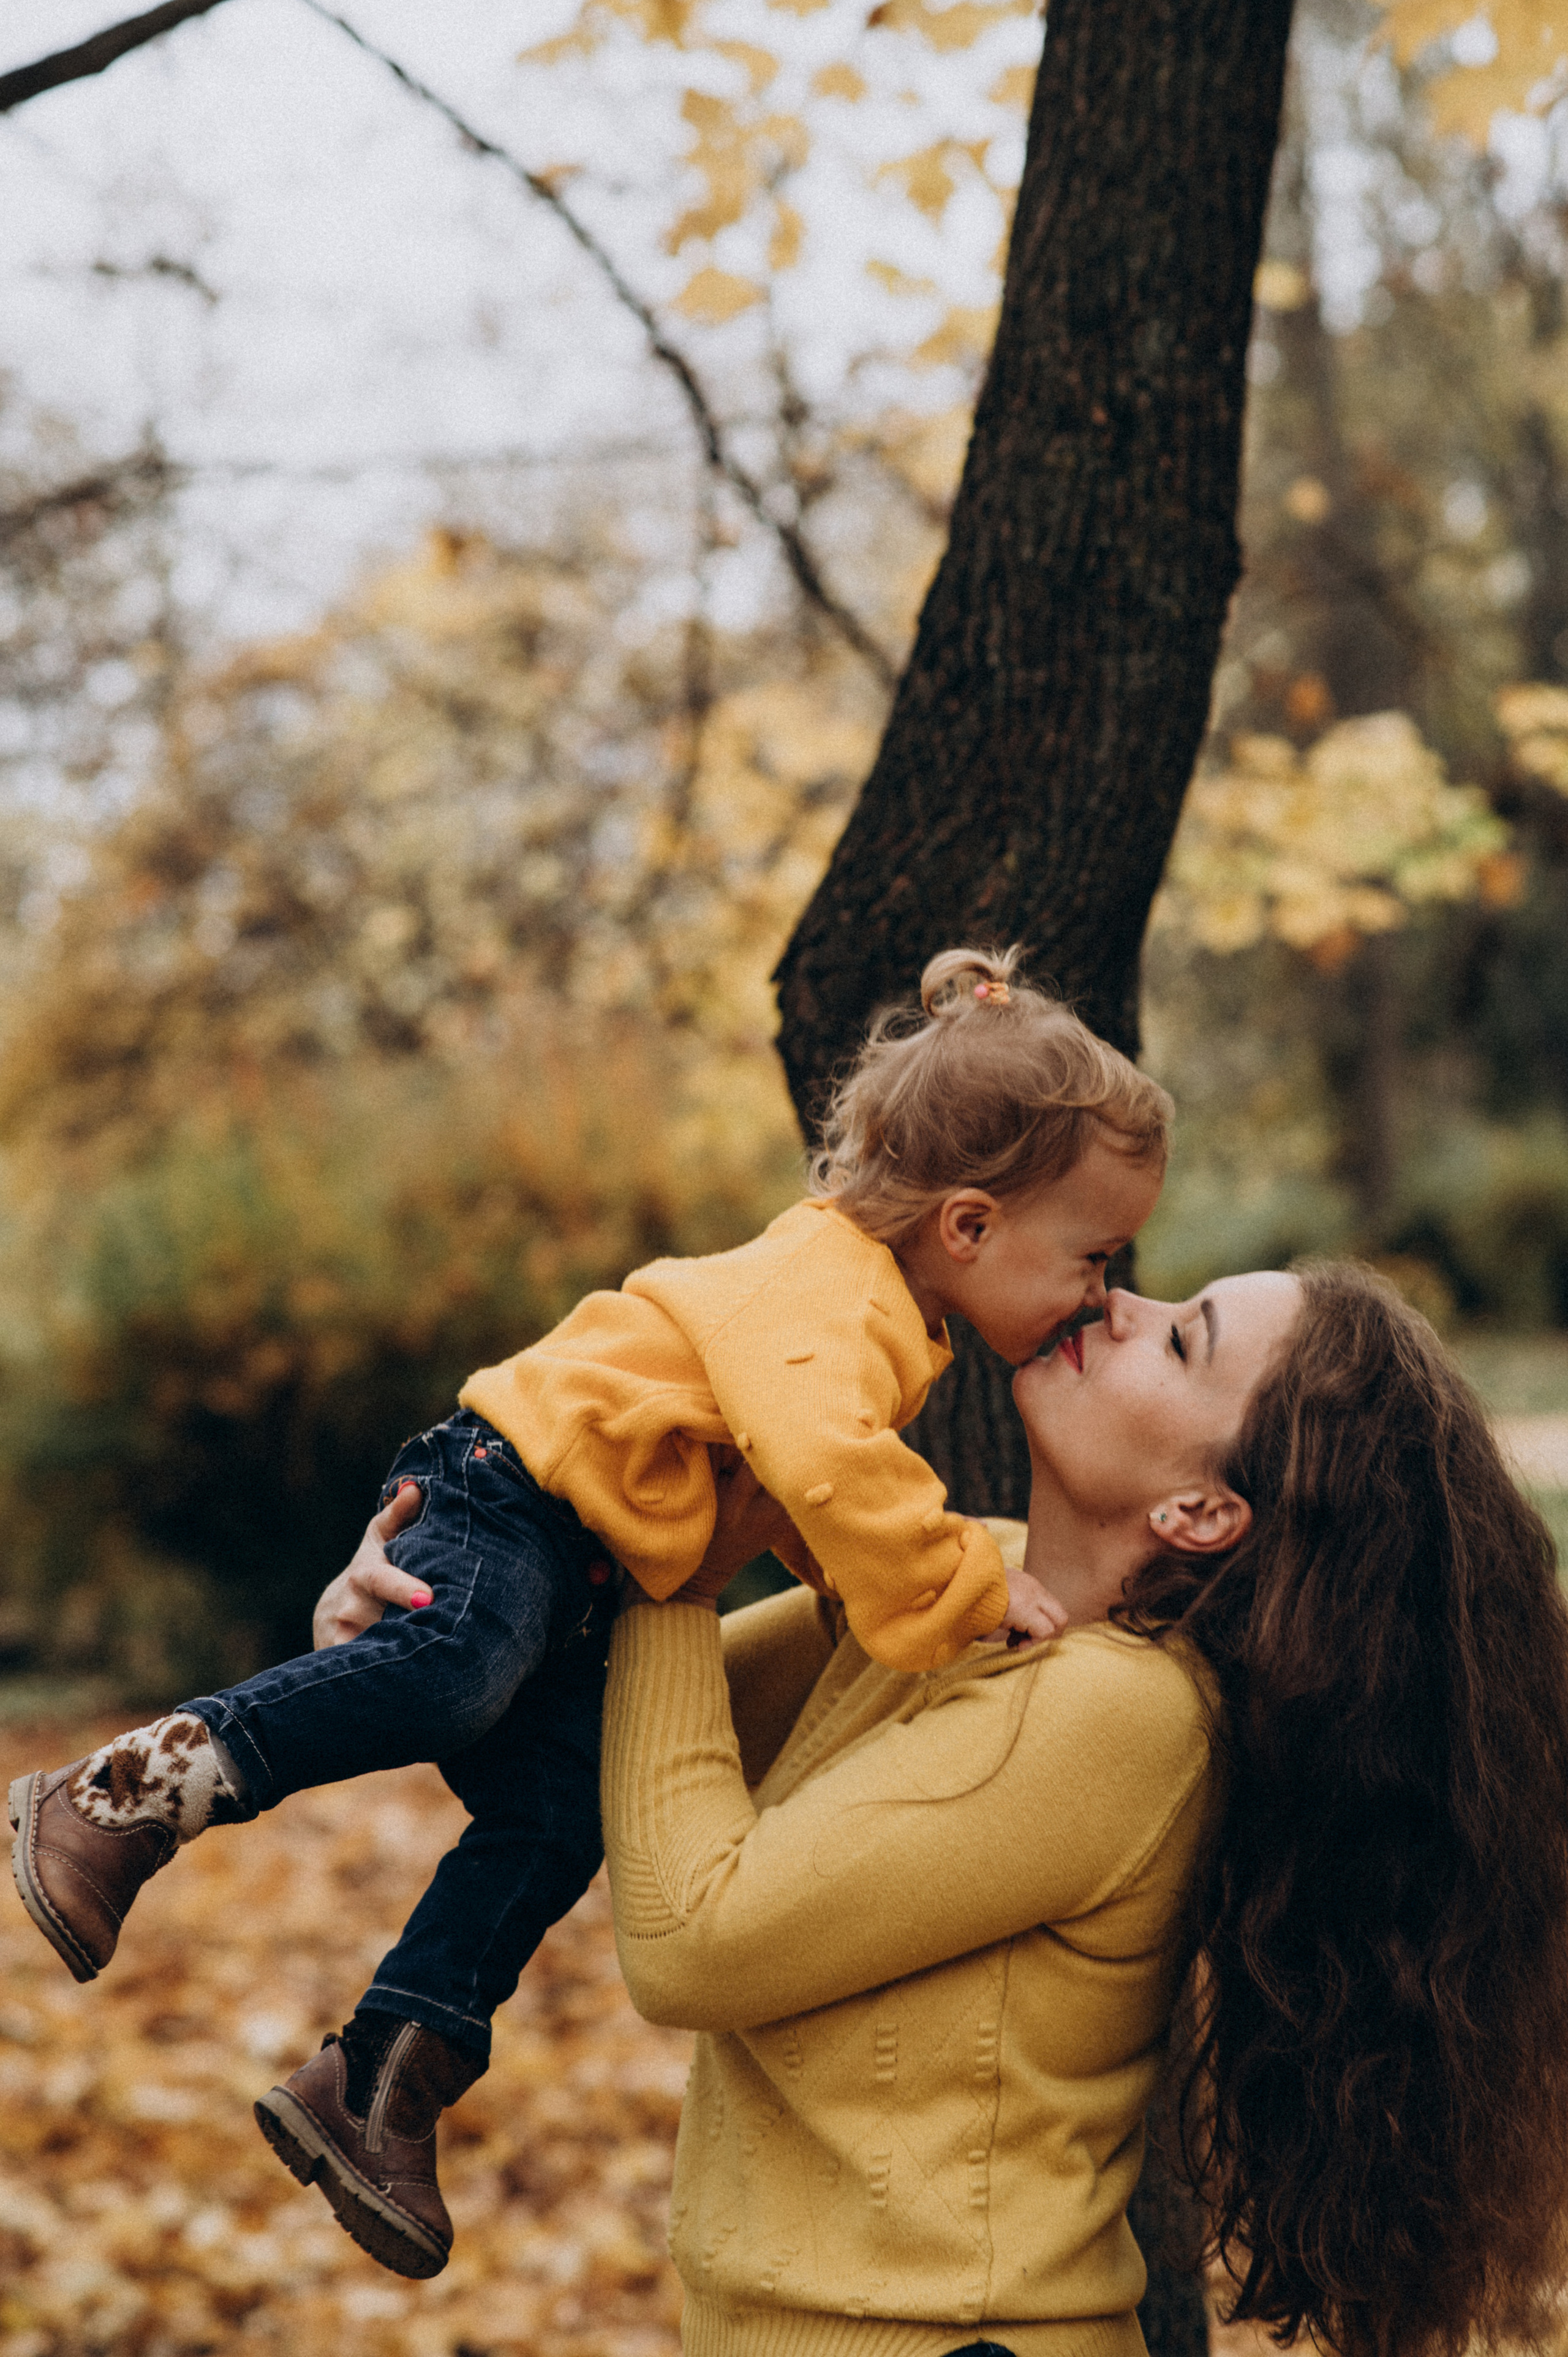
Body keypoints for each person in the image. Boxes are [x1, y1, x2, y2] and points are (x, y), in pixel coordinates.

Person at [8, 945, 1171, 2280]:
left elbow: (784, 1494)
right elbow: (829, 1468)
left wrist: (853, 1586)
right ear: (967, 1224)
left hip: (585, 1573)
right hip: (516, 1493)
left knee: (563, 1811)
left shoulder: (879, 1320)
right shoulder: (834, 1289)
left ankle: (381, 2073)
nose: (1099, 1287)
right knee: (452, 1670)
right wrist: (958, 1582)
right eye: (1091, 1254)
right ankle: (120, 1794)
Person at [572, 1261, 1568, 2357]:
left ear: (1201, 1510)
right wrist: (415, 1626)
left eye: (1183, 1341)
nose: (1121, 1305)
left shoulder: (1124, 1712)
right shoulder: (973, 1578)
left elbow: (691, 1941)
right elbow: (618, 1736)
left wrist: (674, 1577)